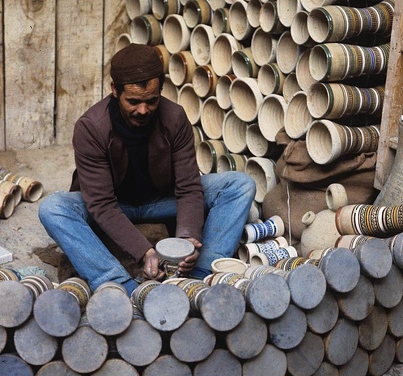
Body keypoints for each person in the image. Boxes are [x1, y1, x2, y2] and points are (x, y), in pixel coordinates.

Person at [39, 43, 256, 296]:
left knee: (240, 185)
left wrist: (187, 238)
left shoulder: (174, 118)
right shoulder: (91, 127)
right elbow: (101, 204)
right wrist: (145, 252)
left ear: (160, 91)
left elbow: (188, 188)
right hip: (115, 204)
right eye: (133, 101)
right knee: (52, 208)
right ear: (114, 91)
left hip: (161, 200)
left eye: (151, 101)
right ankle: (123, 287)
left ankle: (200, 278)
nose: (143, 110)